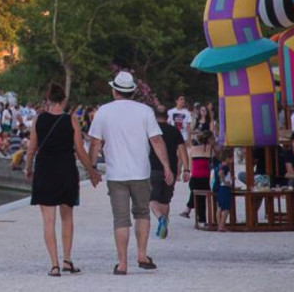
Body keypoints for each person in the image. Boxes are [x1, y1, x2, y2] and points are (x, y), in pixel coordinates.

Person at [87, 71, 172, 276]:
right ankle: (142, 255)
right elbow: (157, 141)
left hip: (116, 174)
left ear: (114, 91)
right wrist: (167, 166)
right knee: (142, 213)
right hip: (141, 172)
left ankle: (122, 263)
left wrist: (92, 170)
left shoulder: (104, 112)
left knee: (121, 219)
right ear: (133, 91)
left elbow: (95, 143)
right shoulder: (145, 111)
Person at [26, 83, 101, 277]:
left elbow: (32, 148)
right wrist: (92, 171)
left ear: (48, 101)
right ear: (63, 101)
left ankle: (54, 265)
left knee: (48, 220)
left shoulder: (38, 120)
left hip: (44, 170)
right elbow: (80, 151)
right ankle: (67, 260)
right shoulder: (71, 121)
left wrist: (27, 168)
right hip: (66, 170)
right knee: (67, 218)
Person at [149, 105, 188, 239]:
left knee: (152, 199)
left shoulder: (150, 131)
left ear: (154, 117)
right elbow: (183, 150)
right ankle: (164, 224)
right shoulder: (174, 131)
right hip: (171, 169)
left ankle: (161, 219)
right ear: (167, 117)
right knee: (165, 200)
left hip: (153, 169)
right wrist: (186, 169)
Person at [179, 130, 215, 222]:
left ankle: (191, 212)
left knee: (197, 193)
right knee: (201, 195)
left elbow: (191, 167)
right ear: (210, 139)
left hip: (194, 181)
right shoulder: (212, 149)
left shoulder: (192, 149)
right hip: (207, 180)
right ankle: (200, 218)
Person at [214, 149, 235, 231]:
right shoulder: (225, 167)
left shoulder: (220, 165)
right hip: (225, 189)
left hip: (219, 188)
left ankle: (219, 225)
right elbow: (221, 174)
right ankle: (222, 226)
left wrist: (230, 178)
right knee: (225, 209)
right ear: (227, 158)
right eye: (232, 158)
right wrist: (225, 182)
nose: (233, 160)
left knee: (219, 207)